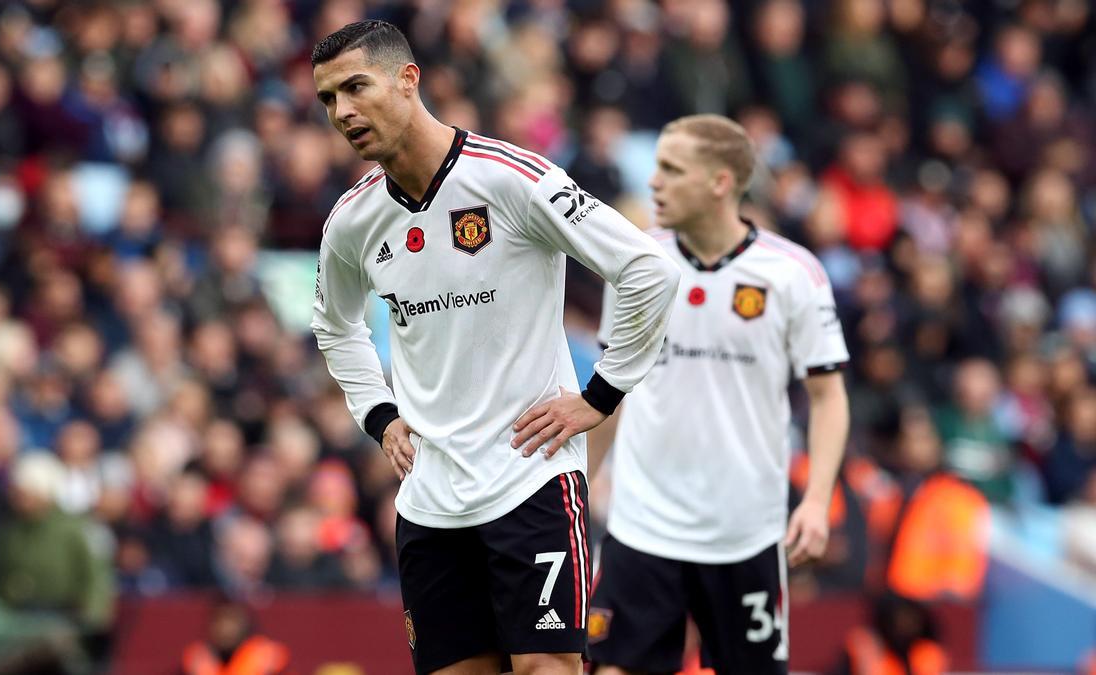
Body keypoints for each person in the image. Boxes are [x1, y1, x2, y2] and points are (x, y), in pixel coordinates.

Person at [309, 20, 679, 675]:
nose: (343, 112)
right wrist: (379, 413)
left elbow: (646, 269)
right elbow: (336, 325)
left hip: (528, 477)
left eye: (355, 88)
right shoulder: (352, 222)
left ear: (408, 79)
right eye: (329, 99)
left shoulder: (510, 178)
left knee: (547, 668)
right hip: (430, 497)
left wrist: (601, 394)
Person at [587, 115, 850, 675]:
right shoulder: (637, 265)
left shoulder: (792, 273)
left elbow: (828, 397)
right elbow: (613, 388)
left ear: (721, 182)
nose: (653, 182)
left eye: (671, 170)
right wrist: (579, 483)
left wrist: (817, 499)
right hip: (643, 523)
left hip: (745, 531)